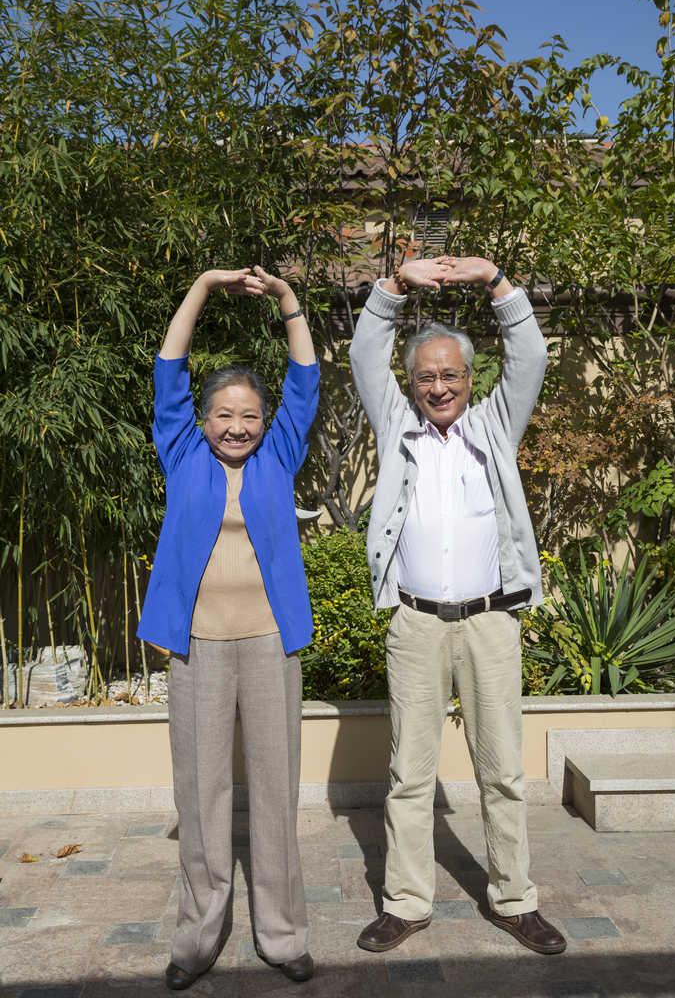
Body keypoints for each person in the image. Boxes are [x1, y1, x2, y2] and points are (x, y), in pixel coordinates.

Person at [348, 256, 567, 956]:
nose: (438, 386)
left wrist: (493, 279)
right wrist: (395, 285)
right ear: (409, 385)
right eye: (425, 376)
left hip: (489, 622)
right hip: (414, 623)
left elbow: (528, 351)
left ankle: (512, 898)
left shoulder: (495, 426)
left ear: (470, 381)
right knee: (408, 775)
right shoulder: (396, 426)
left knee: (501, 770)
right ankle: (407, 903)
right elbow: (362, 352)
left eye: (450, 375)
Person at [137, 265, 319, 989]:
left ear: (264, 422)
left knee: (273, 794)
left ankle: (281, 935)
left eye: (249, 415)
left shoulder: (279, 455)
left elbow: (304, 375)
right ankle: (196, 938)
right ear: (203, 420)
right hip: (197, 648)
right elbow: (169, 367)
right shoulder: (181, 454)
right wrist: (203, 288)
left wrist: (284, 299)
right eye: (224, 415)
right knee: (202, 795)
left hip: (271, 644)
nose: (237, 426)